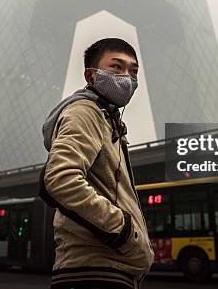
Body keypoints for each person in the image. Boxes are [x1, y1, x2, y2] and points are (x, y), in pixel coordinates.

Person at [39, 38, 154, 289]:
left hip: (109, 270)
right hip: (94, 272)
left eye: (133, 70)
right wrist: (124, 231)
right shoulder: (85, 112)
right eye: (116, 67)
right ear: (91, 75)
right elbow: (60, 180)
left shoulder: (107, 120)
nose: (127, 77)